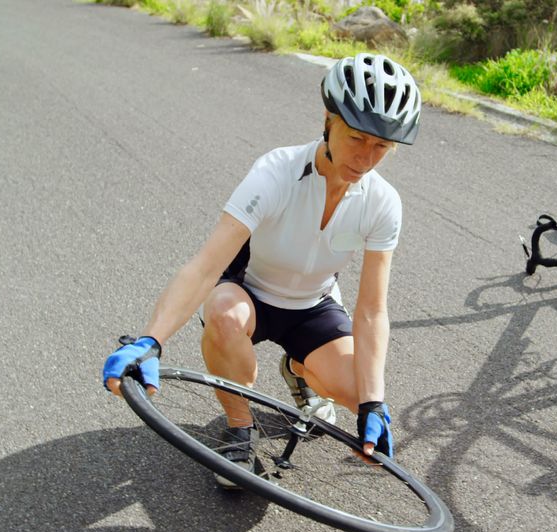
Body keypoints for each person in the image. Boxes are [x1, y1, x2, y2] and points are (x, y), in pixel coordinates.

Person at [101, 53, 422, 489]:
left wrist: (373, 402)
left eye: (382, 147)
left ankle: (300, 369)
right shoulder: (276, 172)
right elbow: (205, 266)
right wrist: (150, 340)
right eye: (357, 138)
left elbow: (371, 311)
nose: (366, 157)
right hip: (247, 294)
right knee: (223, 314)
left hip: (313, 305)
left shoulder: (383, 203)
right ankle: (238, 429)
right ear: (329, 120)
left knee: (352, 391)